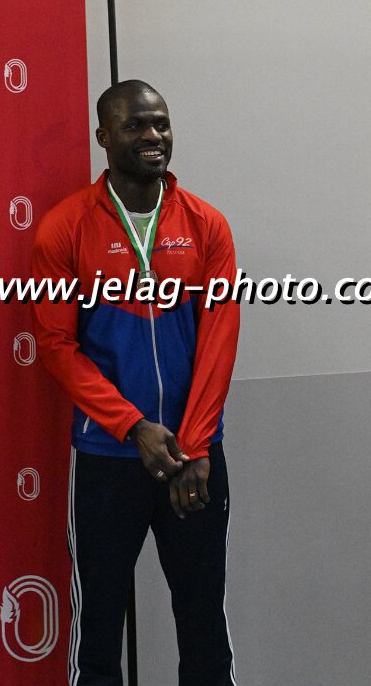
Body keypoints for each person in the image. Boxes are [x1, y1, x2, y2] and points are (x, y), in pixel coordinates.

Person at [31, 79, 240, 686]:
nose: (153, 136)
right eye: (135, 125)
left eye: (161, 124)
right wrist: (132, 427)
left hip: (194, 460)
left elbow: (220, 340)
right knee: (98, 636)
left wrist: (194, 445)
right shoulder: (64, 228)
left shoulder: (206, 225)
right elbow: (56, 345)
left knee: (204, 630)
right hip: (108, 458)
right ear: (104, 136)